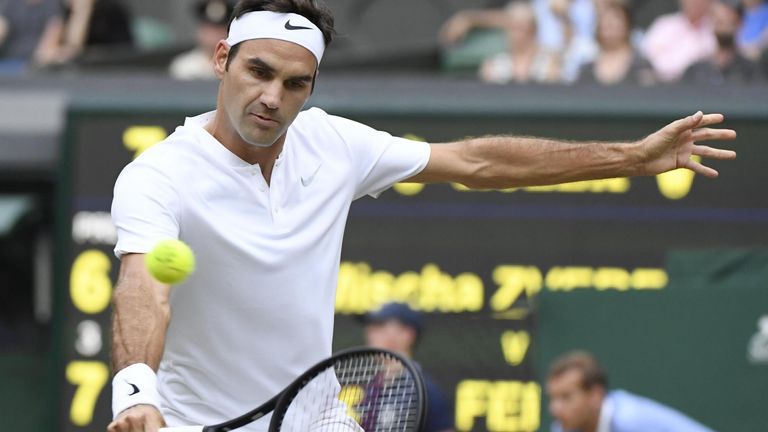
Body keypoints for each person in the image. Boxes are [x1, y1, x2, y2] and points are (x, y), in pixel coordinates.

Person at [106, 0, 736, 430]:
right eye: (258, 72)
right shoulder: (158, 175)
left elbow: (478, 163)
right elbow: (144, 290)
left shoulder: (332, 144)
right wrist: (136, 389)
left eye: (296, 83)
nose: (273, 97)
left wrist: (629, 157)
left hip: (318, 418)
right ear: (222, 60)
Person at [547, 351, 715, 432]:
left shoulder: (631, 421)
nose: (555, 408)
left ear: (596, 396)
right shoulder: (563, 428)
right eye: (553, 398)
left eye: (566, 397)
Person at [363, 302, 454, 432]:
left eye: (380, 326)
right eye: (371, 327)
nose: (370, 334)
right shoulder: (372, 389)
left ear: (407, 334)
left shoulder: (426, 390)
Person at [477, 1, 561, 84]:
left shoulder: (549, 60)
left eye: (520, 27)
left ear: (533, 29)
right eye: (511, 27)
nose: (515, 34)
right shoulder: (494, 64)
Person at [683, 0, 765, 84]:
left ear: (740, 24)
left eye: (729, 22)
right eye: (719, 22)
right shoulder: (695, 71)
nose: (723, 28)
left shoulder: (751, 71)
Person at [577, 0, 655, 85]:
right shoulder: (586, 71)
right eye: (606, 24)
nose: (610, 29)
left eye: (615, 24)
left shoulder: (641, 68)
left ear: (627, 26)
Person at [642, 0, 717, 82]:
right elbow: (647, 57)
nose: (696, 3)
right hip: (661, 86)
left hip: (700, 87)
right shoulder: (664, 25)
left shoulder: (716, 29)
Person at [169, 0, 234, 80]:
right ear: (200, 31)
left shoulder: (234, 65)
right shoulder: (183, 66)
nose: (213, 35)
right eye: (209, 29)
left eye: (218, 30)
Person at [0, 0, 61, 73]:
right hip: (9, 58)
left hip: (34, 62)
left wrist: (38, 61)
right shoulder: (11, 3)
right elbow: (2, 27)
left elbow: (53, 32)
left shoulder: (52, 4)